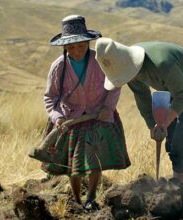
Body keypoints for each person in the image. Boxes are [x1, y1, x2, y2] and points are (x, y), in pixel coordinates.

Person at [95, 37, 183, 186]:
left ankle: (180, 189)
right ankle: (178, 185)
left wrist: (164, 123)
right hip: (173, 89)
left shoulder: (162, 64)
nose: (128, 78)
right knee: (171, 142)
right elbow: (142, 96)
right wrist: (152, 125)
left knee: (181, 145)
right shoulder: (127, 65)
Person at [41, 16, 130, 210]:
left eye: (80, 46)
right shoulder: (59, 67)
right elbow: (50, 97)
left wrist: (107, 108)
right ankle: (76, 200)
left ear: (88, 42)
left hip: (98, 116)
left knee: (94, 161)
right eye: (71, 47)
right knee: (74, 166)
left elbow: (115, 84)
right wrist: (58, 118)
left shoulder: (101, 61)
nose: (76, 51)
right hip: (70, 120)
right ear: (65, 47)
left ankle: (90, 198)